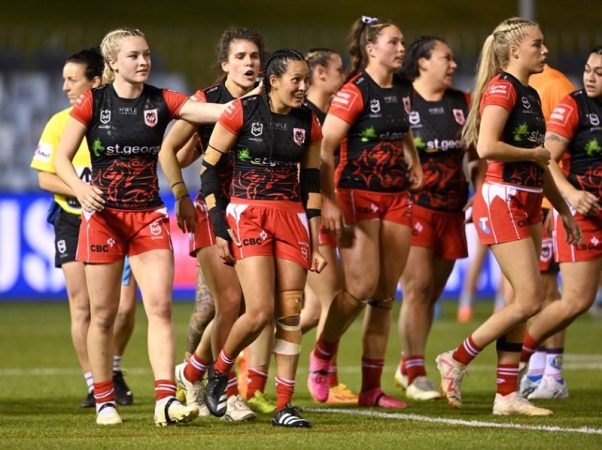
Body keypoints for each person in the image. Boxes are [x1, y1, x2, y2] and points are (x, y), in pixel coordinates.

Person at [54, 27, 236, 426]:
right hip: (103, 218)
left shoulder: (161, 99)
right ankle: (104, 401)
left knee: (160, 307)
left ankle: (165, 400)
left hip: (147, 217)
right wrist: (81, 191)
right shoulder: (93, 101)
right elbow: (61, 160)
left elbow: (209, 111)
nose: (143, 61)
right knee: (103, 315)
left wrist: (251, 102)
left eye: (146, 54)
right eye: (134, 56)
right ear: (113, 63)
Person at [435, 17, 581, 416]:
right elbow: (486, 147)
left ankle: (506, 395)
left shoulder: (529, 93)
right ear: (514, 50)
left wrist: (563, 210)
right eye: (538, 44)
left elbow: (542, 162)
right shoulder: (501, 88)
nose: (545, 51)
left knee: (523, 299)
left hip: (531, 198)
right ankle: (457, 358)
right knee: (531, 297)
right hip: (503, 198)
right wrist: (533, 154)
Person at [201, 49, 325, 428]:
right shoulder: (241, 111)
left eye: (307, 80)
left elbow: (313, 182)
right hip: (248, 213)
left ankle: (285, 404)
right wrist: (219, 226)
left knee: (289, 314)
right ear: (273, 81)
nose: (304, 87)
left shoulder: (310, 120)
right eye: (297, 80)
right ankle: (219, 373)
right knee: (257, 312)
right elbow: (208, 170)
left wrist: (315, 240)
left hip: (291, 217)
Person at [307, 16, 422, 409]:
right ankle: (323, 353)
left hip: (396, 195)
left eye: (402, 41)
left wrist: (414, 158)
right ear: (372, 49)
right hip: (356, 193)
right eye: (394, 42)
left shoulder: (403, 89)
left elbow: (401, 127)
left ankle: (371, 388)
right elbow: (324, 148)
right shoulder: (354, 90)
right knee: (360, 289)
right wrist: (330, 201)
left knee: (386, 296)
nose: (402, 48)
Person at [163, 26, 265, 422]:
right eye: (240, 57)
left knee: (254, 309)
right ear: (225, 64)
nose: (250, 63)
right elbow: (170, 150)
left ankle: (191, 373)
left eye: (255, 57)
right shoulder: (207, 100)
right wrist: (180, 196)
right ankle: (228, 393)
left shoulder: (270, 102)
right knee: (230, 305)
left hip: (257, 212)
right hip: (214, 209)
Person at [30, 47, 136, 409]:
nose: (64, 87)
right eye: (63, 79)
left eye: (71, 79)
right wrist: (82, 189)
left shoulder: (119, 119)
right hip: (73, 220)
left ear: (96, 81)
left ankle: (114, 368)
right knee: (83, 308)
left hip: (117, 220)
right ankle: (96, 384)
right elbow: (46, 178)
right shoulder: (60, 123)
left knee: (123, 308)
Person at [393, 36, 484, 401]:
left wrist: (478, 192)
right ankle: (415, 370)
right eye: (446, 58)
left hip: (451, 208)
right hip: (413, 206)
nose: (453, 65)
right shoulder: (401, 101)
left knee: (430, 293)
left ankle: (406, 365)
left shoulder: (463, 103)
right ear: (423, 62)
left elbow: (479, 155)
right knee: (417, 288)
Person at [520, 46, 602, 398]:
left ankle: (547, 374)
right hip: (582, 215)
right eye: (587, 68)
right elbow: (546, 158)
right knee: (575, 301)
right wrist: (570, 194)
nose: (590, 76)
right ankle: (518, 357)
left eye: (599, 72)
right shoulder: (573, 105)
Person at [298, 47, 357, 404]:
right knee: (331, 298)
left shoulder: (326, 114)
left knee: (316, 307)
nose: (344, 74)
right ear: (319, 74)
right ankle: (326, 380)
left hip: (319, 210)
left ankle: (252, 351)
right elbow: (312, 168)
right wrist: (329, 201)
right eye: (338, 68)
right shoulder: (308, 115)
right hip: (309, 214)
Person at [519, 64, 576, 399]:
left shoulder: (554, 86)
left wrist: (560, 203)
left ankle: (552, 374)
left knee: (546, 288)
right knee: (527, 291)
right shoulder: (510, 86)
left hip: (545, 202)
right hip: (522, 198)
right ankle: (538, 369)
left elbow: (557, 156)